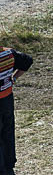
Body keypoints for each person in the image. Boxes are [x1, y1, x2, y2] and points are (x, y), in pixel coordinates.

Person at [0, 46, 33, 175]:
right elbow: (27, 60)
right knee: (7, 131)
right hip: (7, 99)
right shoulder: (9, 53)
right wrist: (13, 78)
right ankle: (9, 164)